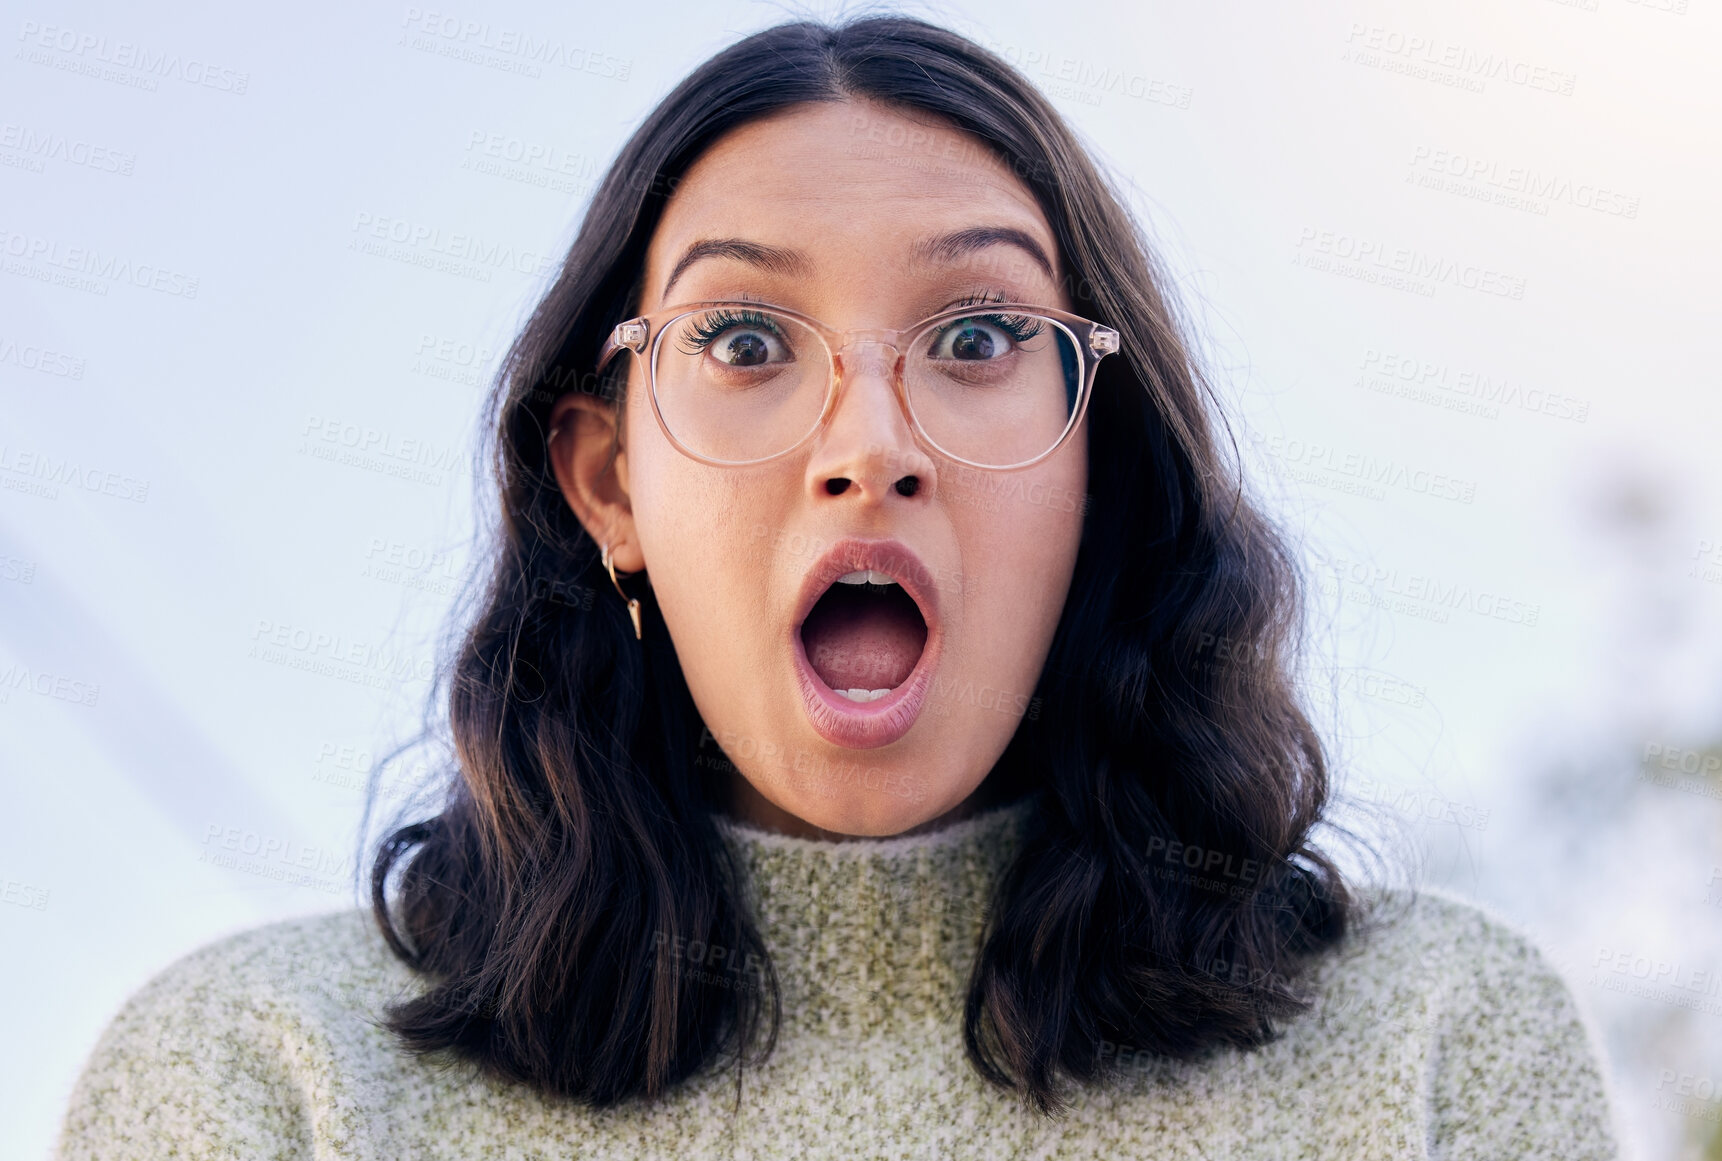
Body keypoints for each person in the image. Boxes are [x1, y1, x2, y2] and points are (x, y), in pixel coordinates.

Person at [53, 16, 1621, 1159]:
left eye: (976, 339)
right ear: (607, 481)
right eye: (742, 342)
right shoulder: (264, 1080)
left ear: (1101, 463)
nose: (866, 448)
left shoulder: (1430, 1047)